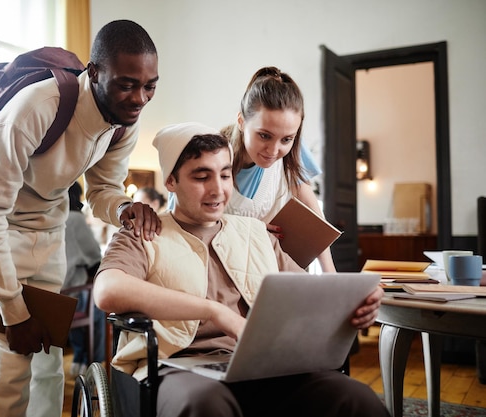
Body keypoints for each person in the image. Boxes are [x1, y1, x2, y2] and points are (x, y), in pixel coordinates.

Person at [94, 122, 388, 417]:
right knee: (205, 404)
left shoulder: (257, 234)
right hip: (174, 365)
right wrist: (213, 311)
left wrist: (354, 304)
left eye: (224, 175)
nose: (218, 189)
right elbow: (108, 290)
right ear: (171, 182)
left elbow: (308, 295)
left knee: (353, 397)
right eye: (201, 176)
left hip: (259, 363)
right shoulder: (143, 233)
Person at [0, 20, 161, 417]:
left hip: (47, 227)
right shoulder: (35, 108)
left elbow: (103, 190)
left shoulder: (123, 123)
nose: (140, 98)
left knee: (48, 362)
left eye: (150, 85)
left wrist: (123, 208)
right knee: (10, 364)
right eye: (127, 84)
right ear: (95, 72)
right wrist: (14, 313)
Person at [222, 66, 337, 272]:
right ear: (241, 121)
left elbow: (315, 222)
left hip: (272, 269)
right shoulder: (213, 156)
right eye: (264, 135)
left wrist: (331, 274)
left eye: (287, 139)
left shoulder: (292, 155)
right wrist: (247, 229)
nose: (274, 150)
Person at [62, 182, 105, 377]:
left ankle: (79, 357)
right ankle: (91, 359)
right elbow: (94, 254)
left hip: (52, 291)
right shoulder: (75, 219)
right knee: (100, 300)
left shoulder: (49, 216)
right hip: (70, 291)